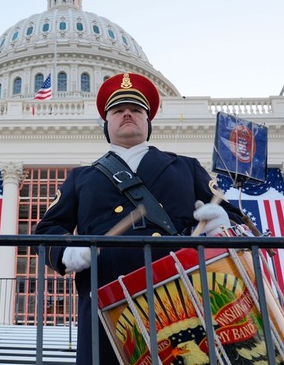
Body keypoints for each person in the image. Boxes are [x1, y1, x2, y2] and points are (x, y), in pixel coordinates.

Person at [34, 72, 244, 365]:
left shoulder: (185, 167)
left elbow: (238, 221)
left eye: (136, 110)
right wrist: (67, 251)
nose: (127, 114)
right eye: (118, 110)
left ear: (148, 122)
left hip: (181, 298)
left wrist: (223, 222)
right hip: (108, 304)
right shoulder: (82, 178)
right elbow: (46, 229)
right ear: (107, 124)